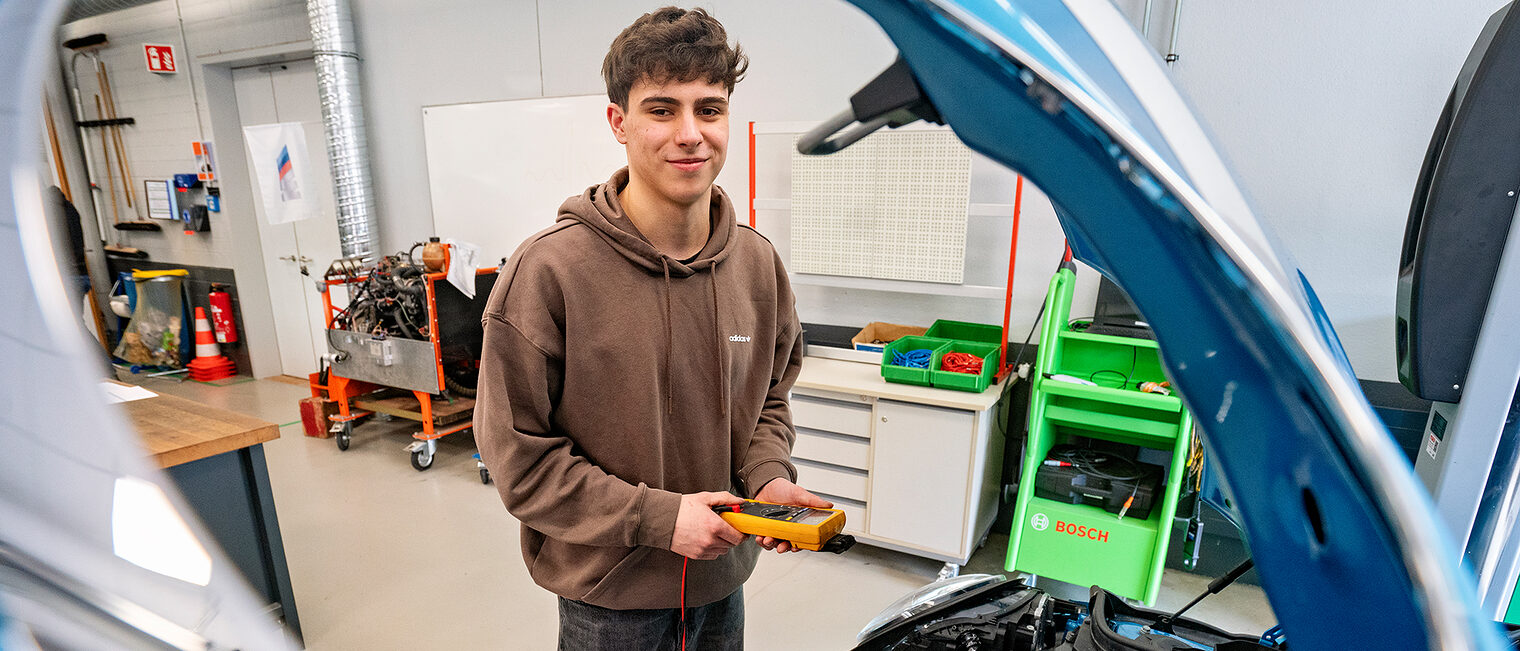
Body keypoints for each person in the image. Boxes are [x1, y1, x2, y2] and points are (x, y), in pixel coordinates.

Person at [475, 7, 829, 650]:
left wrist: (768, 476)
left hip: (723, 583)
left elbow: (768, 399)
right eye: (662, 110)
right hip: (610, 599)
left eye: (710, 109)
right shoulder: (547, 273)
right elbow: (519, 461)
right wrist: (659, 519)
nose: (691, 134)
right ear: (619, 122)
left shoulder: (756, 264)